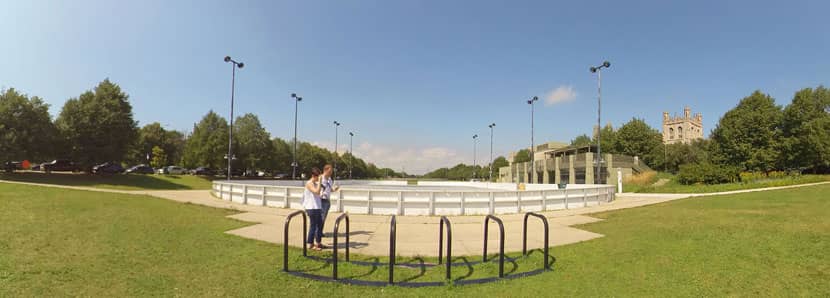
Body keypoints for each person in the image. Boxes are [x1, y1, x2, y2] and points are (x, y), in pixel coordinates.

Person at [303, 168, 324, 251]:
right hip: (311, 208)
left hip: (317, 207)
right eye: (317, 177)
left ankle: (318, 243)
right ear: (313, 176)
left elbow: (319, 194)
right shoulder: (309, 183)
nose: (318, 179)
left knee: (319, 226)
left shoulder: (316, 183)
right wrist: (320, 182)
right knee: (313, 226)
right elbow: (317, 192)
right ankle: (310, 244)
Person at [319, 164, 340, 235]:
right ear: (325, 170)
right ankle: (317, 233)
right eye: (330, 171)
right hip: (320, 200)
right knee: (320, 218)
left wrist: (334, 189)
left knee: (323, 218)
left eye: (331, 172)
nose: (331, 173)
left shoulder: (330, 179)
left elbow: (330, 189)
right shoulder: (320, 178)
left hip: (327, 201)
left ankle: (320, 232)